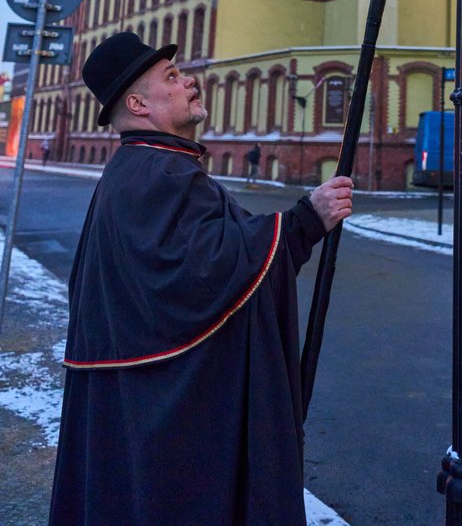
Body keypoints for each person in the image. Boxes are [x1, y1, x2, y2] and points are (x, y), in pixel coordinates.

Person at [49, 31, 353, 526]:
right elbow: (204, 274)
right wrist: (304, 221)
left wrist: (300, 227)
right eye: (171, 77)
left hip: (146, 411)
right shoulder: (158, 174)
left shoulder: (149, 167)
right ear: (138, 103)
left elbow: (215, 260)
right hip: (170, 426)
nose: (190, 81)